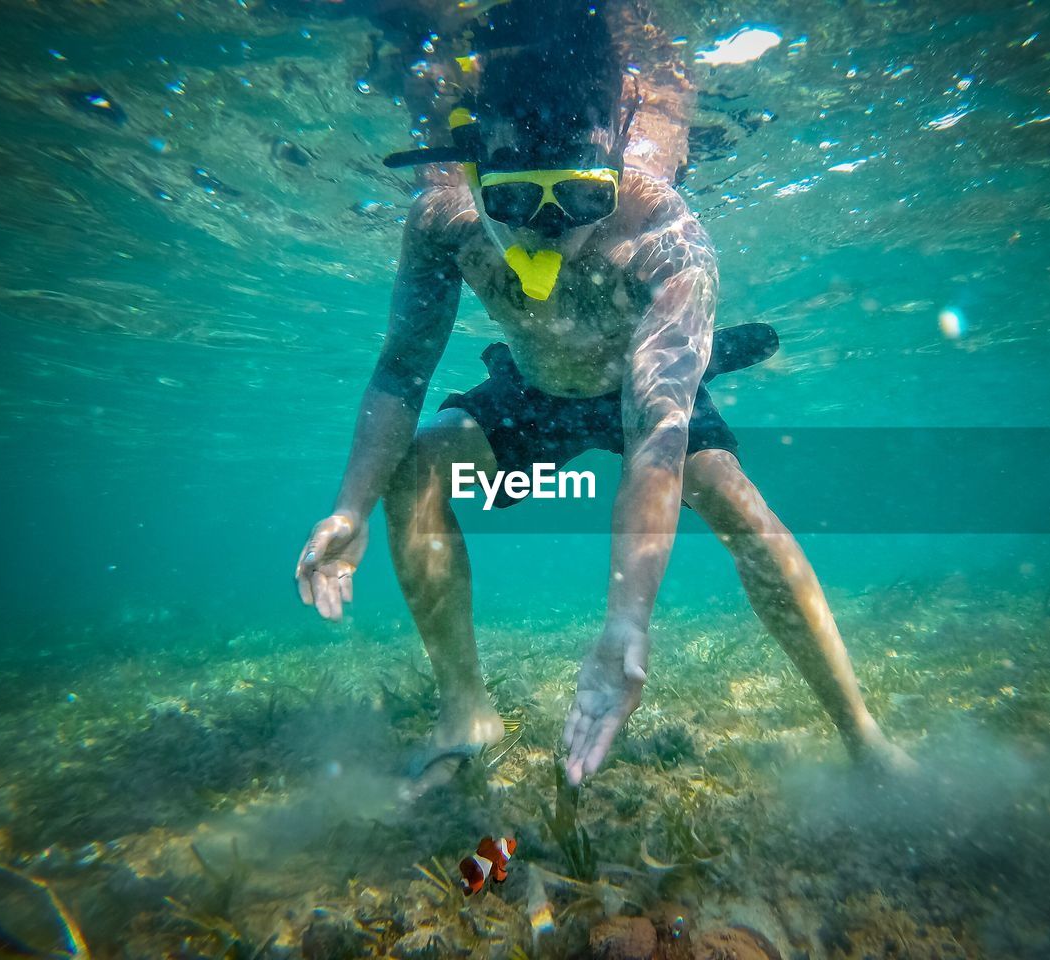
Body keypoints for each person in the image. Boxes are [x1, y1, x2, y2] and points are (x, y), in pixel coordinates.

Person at [295, 0, 911, 786]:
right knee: (413, 472)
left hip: (641, 389)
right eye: (517, 203)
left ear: (615, 165)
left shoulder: (666, 237)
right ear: (478, 173)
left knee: (740, 506)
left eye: (583, 200)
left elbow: (657, 431)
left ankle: (864, 737)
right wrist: (349, 505)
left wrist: (628, 617)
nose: (551, 229)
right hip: (532, 387)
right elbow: (401, 370)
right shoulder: (444, 222)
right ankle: (466, 712)